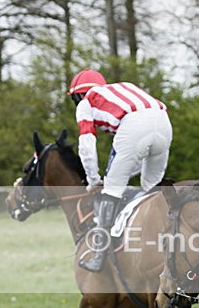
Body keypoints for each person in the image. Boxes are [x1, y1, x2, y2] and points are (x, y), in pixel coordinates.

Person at [67, 68, 173, 271]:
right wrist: (114, 175)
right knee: (152, 186)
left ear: (79, 93)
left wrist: (94, 180)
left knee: (111, 190)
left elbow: (87, 145)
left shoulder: (86, 102)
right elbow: (135, 161)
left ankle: (99, 253)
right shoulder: (125, 87)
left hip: (134, 124)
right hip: (163, 120)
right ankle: (170, 238)